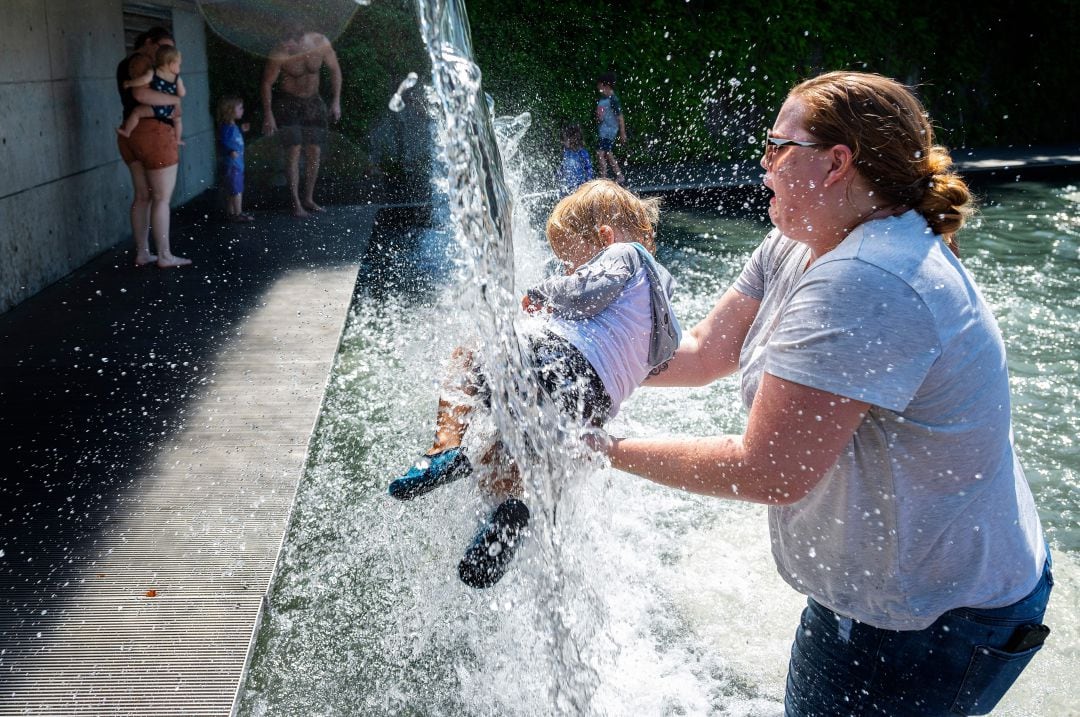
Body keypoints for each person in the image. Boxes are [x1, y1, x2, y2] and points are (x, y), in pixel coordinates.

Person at [600, 71, 1051, 715]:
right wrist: (575, 361)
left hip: (936, 620)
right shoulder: (798, 238)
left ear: (837, 163)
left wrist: (601, 446)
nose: (763, 164)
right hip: (882, 596)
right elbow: (703, 350)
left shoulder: (870, 279)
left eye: (777, 146)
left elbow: (768, 469)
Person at [389, 180, 681, 589]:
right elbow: (655, 364)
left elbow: (589, 289)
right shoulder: (663, 313)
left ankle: (444, 448)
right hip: (589, 407)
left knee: (469, 354)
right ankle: (511, 508)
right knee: (511, 449)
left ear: (604, 237)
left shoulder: (624, 254)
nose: (567, 271)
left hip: (556, 364)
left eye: (570, 263)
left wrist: (542, 293)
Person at [116, 27, 191, 268]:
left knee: (142, 196)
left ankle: (143, 252)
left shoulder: (124, 63)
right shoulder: (144, 62)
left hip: (132, 135)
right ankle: (165, 255)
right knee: (160, 198)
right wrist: (174, 100)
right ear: (148, 42)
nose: (164, 53)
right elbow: (141, 94)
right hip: (154, 133)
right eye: (161, 47)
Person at [260, 22, 342, 218]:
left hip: (313, 102)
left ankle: (309, 198)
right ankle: (296, 203)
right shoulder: (280, 52)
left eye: (289, 45)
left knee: (315, 150)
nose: (285, 48)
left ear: (301, 40)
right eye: (283, 45)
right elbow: (266, 83)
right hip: (288, 104)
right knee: (294, 150)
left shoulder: (320, 43)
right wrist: (268, 113)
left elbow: (335, 70)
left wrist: (336, 101)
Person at [118, 46, 186, 147]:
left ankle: (127, 131)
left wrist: (129, 83)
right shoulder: (177, 78)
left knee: (137, 112)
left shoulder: (153, 72)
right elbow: (182, 93)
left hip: (155, 107)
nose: (179, 68)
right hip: (170, 110)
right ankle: (178, 139)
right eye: (179, 65)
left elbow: (143, 80)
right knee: (178, 121)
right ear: (172, 64)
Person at [216, 96, 252, 222]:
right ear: (231, 111)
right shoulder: (227, 127)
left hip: (236, 164)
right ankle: (238, 213)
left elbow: (232, 140)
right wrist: (230, 151)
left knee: (233, 189)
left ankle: (231, 212)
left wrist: (242, 130)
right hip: (233, 165)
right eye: (240, 108)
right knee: (236, 190)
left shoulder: (232, 126)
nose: (242, 110)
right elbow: (223, 142)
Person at [594, 71, 627, 185]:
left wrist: (622, 132)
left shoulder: (613, 99)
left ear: (605, 85)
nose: (598, 88)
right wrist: (599, 116)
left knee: (600, 153)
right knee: (608, 153)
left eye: (599, 86)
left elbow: (620, 116)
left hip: (609, 132)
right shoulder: (603, 99)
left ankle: (603, 178)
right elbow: (601, 117)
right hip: (604, 131)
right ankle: (619, 175)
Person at [556, 123, 593, 195]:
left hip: (579, 187)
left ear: (572, 139)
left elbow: (588, 169)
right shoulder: (566, 152)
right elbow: (562, 168)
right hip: (566, 187)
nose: (562, 142)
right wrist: (558, 176)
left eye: (565, 139)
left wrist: (588, 184)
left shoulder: (582, 153)